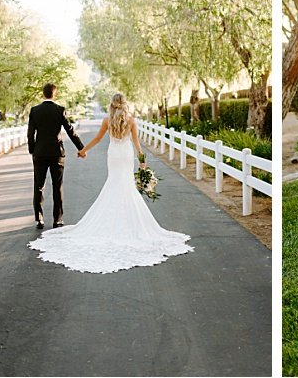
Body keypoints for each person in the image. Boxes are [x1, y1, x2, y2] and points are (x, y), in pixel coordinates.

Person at [29, 93, 193, 273]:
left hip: (114, 155)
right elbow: (137, 143)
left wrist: (83, 150)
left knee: (113, 184)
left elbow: (98, 139)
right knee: (126, 186)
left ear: (112, 105)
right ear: (125, 104)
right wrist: (143, 161)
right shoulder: (131, 120)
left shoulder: (107, 120)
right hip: (126, 155)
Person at [27, 82, 85, 229]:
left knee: (38, 186)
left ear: (43, 93)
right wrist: (81, 148)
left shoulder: (35, 110)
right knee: (57, 186)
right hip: (56, 153)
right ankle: (57, 220)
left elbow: (30, 133)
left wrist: (32, 150)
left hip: (40, 153)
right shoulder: (59, 110)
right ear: (55, 94)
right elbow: (70, 131)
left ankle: (39, 219)